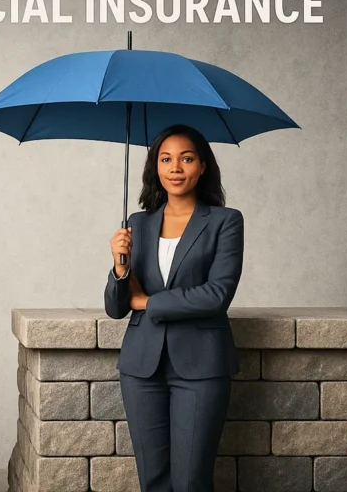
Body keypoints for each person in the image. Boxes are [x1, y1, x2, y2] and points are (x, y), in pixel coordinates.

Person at [104, 124, 243, 492]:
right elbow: (117, 308)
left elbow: (217, 295)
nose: (175, 167)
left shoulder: (225, 222)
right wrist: (120, 268)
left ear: (202, 167)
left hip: (201, 365)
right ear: (155, 168)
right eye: (166, 159)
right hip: (141, 367)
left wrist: (147, 302)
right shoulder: (138, 224)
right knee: (153, 480)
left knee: (191, 480)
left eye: (186, 158)